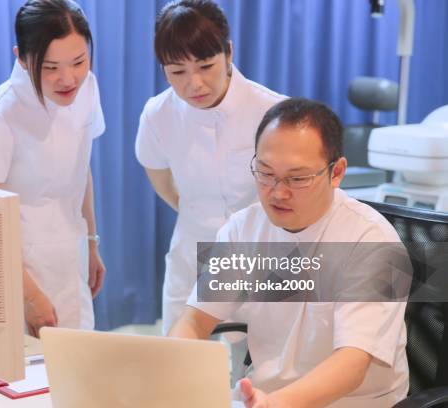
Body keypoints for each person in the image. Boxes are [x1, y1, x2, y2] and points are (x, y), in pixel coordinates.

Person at [170, 98, 408, 407]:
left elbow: (352, 364)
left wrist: (275, 404)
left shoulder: (372, 241)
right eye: (265, 173)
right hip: (265, 396)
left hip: (353, 401)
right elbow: (195, 321)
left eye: (297, 179)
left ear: (336, 173)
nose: (278, 192)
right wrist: (167, 371)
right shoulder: (243, 229)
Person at [135, 0, 285, 335]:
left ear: (228, 53)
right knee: (181, 366)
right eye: (177, 72)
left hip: (262, 256)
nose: (194, 84)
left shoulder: (275, 112)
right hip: (191, 254)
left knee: (259, 369)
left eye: (205, 65)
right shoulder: (158, 114)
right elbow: (158, 173)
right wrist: (194, 211)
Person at [0, 0, 105, 335]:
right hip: (18, 270)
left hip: (70, 255)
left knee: (77, 368)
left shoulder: (86, 89)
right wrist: (29, 296)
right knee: (25, 379)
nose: (67, 78)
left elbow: (80, 167)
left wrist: (90, 241)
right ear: (21, 57)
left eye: (78, 61)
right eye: (50, 67)